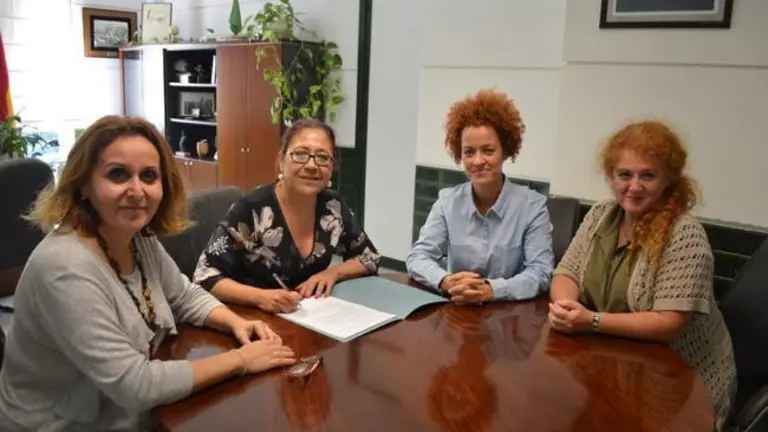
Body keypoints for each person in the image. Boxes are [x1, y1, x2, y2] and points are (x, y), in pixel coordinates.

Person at [0, 116, 297, 431]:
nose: (137, 190)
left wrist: (236, 323)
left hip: (119, 411)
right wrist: (242, 360)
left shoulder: (137, 238)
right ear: (83, 184)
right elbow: (135, 385)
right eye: (118, 174)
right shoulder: (63, 267)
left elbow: (183, 296)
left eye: (149, 176)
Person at [547, 120, 736, 430]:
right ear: (611, 177)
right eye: (624, 175)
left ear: (668, 179)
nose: (634, 186)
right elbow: (566, 272)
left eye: (648, 175)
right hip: (613, 364)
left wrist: (592, 321)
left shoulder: (684, 234)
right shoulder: (600, 215)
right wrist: (567, 308)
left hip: (681, 385)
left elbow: (670, 323)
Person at [194, 118, 380, 313]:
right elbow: (204, 275)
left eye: (323, 157)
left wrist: (331, 274)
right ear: (281, 161)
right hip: (253, 319)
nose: (312, 165)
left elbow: (368, 257)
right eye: (300, 154)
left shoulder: (332, 206)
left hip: (309, 317)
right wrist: (260, 298)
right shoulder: (251, 209)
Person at [406, 89, 554, 305]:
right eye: (469, 152)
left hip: (510, 315)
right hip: (458, 308)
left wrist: (491, 290)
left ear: (505, 151)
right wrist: (446, 281)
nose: (477, 161)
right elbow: (418, 257)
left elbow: (540, 272)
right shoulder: (447, 203)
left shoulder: (532, 207)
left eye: (488, 150)